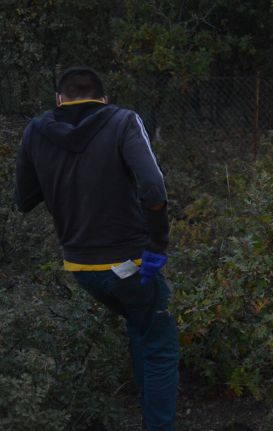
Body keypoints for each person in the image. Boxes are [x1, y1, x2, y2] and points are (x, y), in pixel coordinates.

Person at [14, 67, 179, 430]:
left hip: (81, 269)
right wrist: (158, 244)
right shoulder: (123, 122)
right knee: (159, 343)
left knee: (142, 326)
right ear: (103, 98)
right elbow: (153, 187)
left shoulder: (36, 131)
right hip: (133, 262)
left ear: (59, 99)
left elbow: (23, 200)